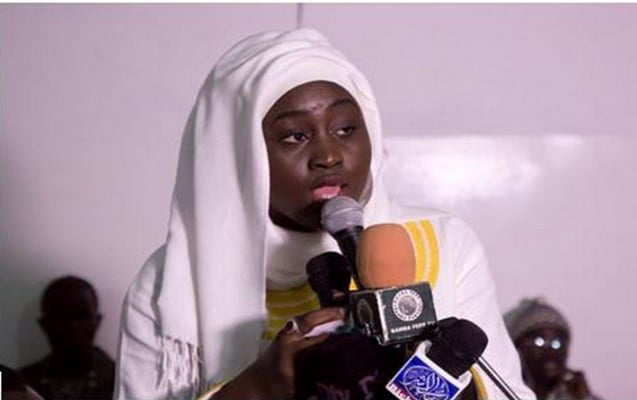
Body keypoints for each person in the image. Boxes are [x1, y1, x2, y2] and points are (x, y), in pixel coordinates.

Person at [115, 28, 535, 400]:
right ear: (237, 157)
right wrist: (260, 387)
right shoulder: (170, 282)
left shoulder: (443, 242)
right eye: (295, 135)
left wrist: (435, 384)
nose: (329, 155)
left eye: (346, 128)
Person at [20, 276, 115, 400]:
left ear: (97, 321)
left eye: (81, 315)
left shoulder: (124, 381)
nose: (73, 325)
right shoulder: (18, 386)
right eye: (61, 316)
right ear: (44, 325)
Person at [504, 298, 603, 400]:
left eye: (557, 342)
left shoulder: (577, 395)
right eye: (539, 341)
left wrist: (585, 397)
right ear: (518, 349)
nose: (550, 350)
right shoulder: (502, 391)